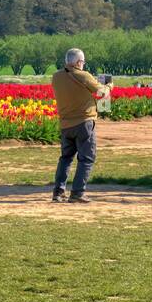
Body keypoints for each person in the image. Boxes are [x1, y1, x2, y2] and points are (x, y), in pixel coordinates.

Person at [49, 48, 110, 203]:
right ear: (78, 62)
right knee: (87, 158)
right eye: (82, 62)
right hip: (84, 123)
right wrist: (109, 86)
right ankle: (77, 193)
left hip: (65, 124)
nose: (83, 65)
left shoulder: (56, 77)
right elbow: (101, 92)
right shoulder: (83, 75)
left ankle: (58, 192)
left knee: (66, 158)